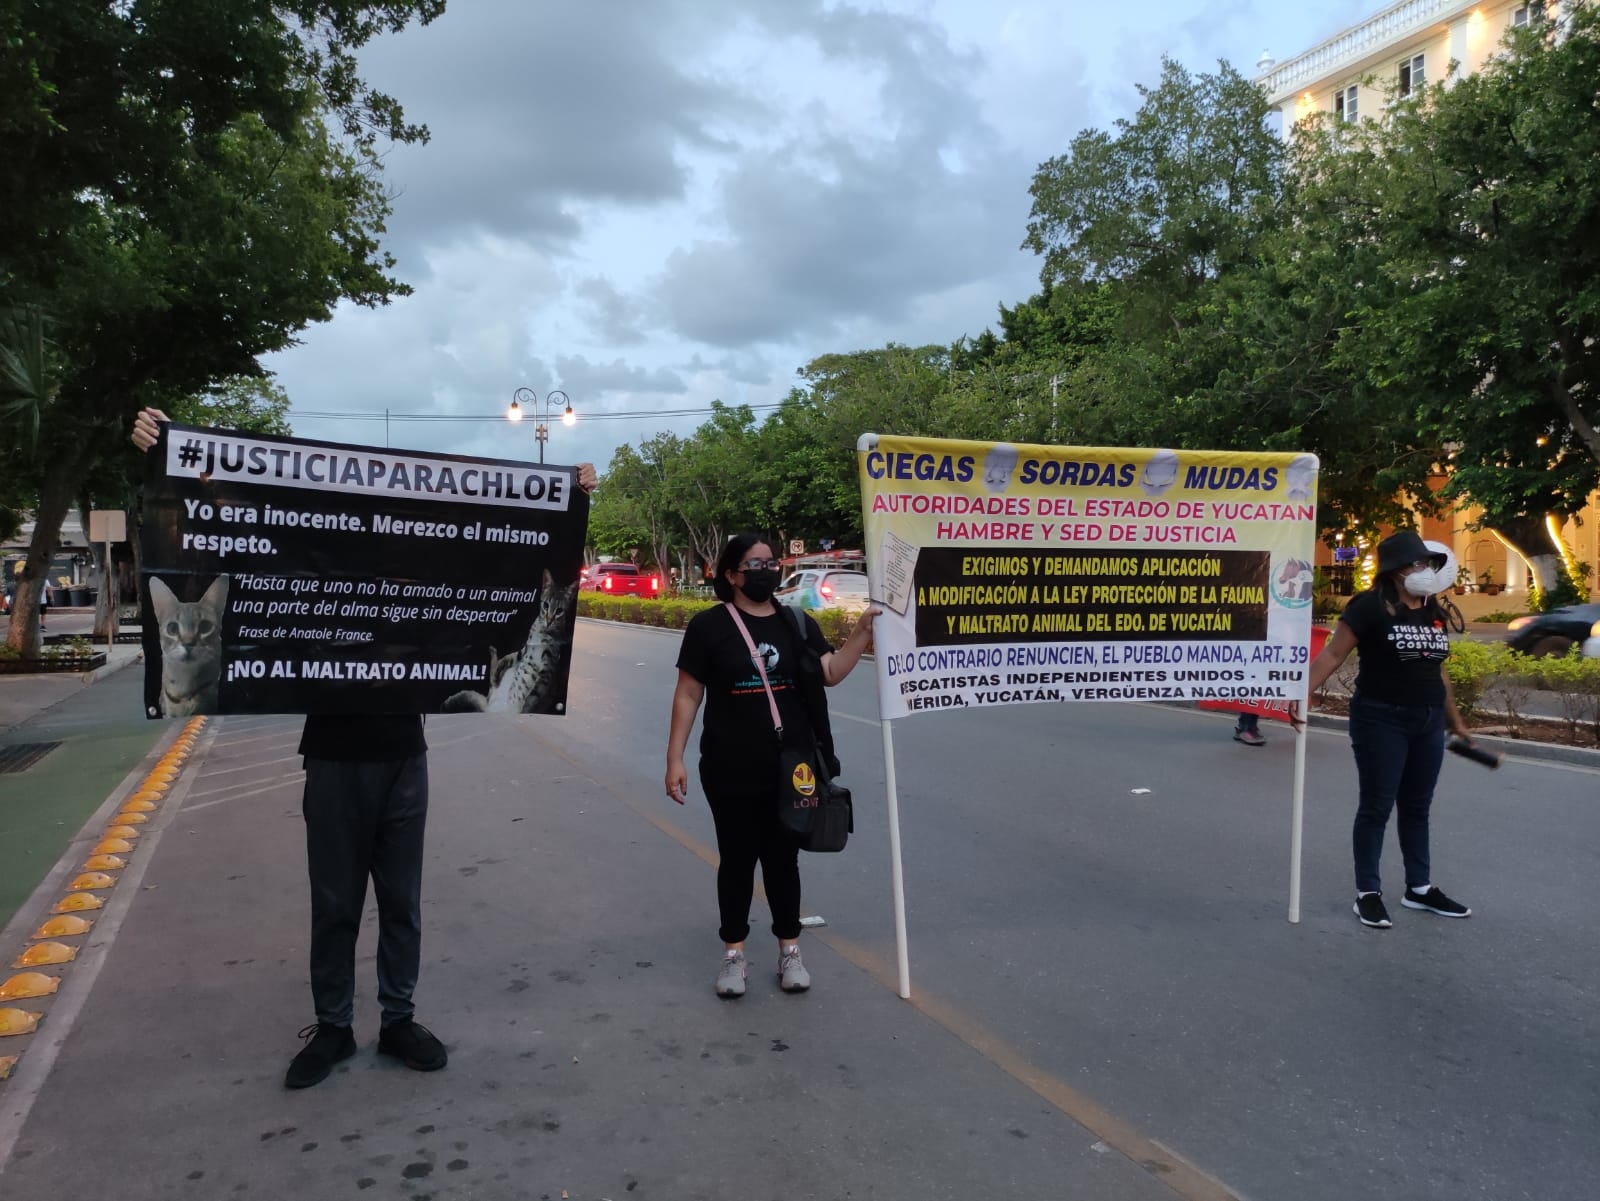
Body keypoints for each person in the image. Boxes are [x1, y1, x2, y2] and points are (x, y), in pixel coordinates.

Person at [133, 407, 598, 1086]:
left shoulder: (424, 581)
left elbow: (512, 552)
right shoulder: (311, 577)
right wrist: (165, 454)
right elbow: (221, 543)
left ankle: (398, 1017)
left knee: (402, 902)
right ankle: (333, 1027)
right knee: (336, 904)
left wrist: (570, 498)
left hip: (404, 755)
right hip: (331, 755)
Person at [665, 533, 877, 997]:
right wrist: (674, 758)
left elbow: (830, 673)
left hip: (793, 767)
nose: (767, 569)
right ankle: (734, 956)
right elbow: (688, 693)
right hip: (729, 765)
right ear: (731, 575)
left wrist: (861, 632)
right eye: (755, 564)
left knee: (784, 860)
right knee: (738, 860)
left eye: (771, 561)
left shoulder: (796, 623)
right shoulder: (708, 627)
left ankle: (789, 951)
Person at [1296, 529, 1474, 930]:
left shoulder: (1432, 611)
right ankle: (1368, 894)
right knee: (1377, 806)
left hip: (1427, 719)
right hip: (1381, 718)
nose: (1424, 570)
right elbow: (1334, 654)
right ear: (1395, 572)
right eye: (1416, 563)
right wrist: (1300, 696)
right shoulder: (1368, 607)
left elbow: (1438, 668)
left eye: (1427, 563)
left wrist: (1455, 719)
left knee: (1417, 806)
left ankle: (1419, 888)